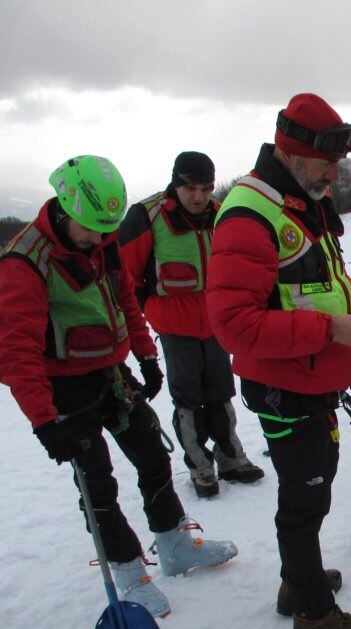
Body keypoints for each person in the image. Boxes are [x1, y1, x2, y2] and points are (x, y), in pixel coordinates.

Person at [0, 156, 238, 619]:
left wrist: (145, 355)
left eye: (104, 230)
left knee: (153, 455)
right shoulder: (23, 262)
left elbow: (124, 295)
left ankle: (173, 545)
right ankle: (129, 570)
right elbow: (14, 352)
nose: (98, 239)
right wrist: (45, 422)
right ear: (65, 210)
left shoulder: (103, 241)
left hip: (110, 374)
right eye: (90, 229)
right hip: (63, 387)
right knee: (97, 482)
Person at [208, 93, 351, 629]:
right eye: (328, 162)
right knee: (305, 493)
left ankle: (298, 581)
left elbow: (332, 275)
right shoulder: (250, 214)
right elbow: (234, 326)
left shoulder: (302, 200)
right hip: (282, 385)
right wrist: (329, 332)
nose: (336, 173)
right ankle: (314, 613)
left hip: (313, 379)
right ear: (292, 152)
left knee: (313, 483)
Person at [118, 151, 264, 498]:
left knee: (221, 394)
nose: (199, 196)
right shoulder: (147, 216)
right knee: (188, 401)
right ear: (176, 183)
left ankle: (231, 459)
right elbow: (124, 278)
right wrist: (144, 317)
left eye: (206, 188)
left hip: (218, 324)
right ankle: (200, 468)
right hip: (174, 328)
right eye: (191, 188)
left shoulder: (222, 214)